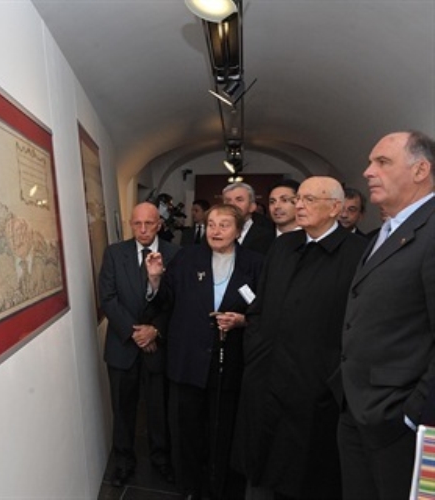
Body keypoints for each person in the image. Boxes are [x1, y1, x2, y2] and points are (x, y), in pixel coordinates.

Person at [232, 176, 368, 500]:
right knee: (262, 468)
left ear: (334, 208)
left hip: (315, 388)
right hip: (267, 377)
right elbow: (260, 306)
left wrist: (331, 377)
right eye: (299, 199)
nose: (299, 206)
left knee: (306, 474)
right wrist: (255, 350)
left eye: (309, 200)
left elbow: (359, 325)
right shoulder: (283, 245)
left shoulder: (358, 253)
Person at [338, 130, 435, 500]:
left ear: (420, 170)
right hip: (357, 409)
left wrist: (410, 414)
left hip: (397, 422)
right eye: (369, 162)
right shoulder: (387, 230)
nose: (368, 171)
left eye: (382, 162)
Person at [147, 204, 263, 500]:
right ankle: (189, 487)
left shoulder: (255, 263)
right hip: (187, 359)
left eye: (224, 225)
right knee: (187, 429)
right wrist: (156, 279)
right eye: (211, 224)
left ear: (238, 231)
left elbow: (265, 311)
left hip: (230, 360)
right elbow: (164, 303)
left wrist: (242, 321)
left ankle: (219, 486)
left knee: (223, 428)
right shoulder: (187, 258)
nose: (216, 230)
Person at [98, 201, 180, 487]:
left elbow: (178, 301)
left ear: (159, 224)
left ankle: (161, 460)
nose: (143, 229)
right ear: (130, 224)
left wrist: (154, 330)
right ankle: (123, 463)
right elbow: (108, 298)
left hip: (158, 347)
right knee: (122, 410)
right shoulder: (114, 253)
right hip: (122, 347)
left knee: (160, 409)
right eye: (137, 224)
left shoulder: (175, 254)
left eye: (149, 223)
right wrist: (136, 333)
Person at [222, 182, 274, 254]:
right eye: (228, 201)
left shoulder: (268, 236)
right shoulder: (213, 232)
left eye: (239, 200)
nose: (232, 204)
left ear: (252, 206)